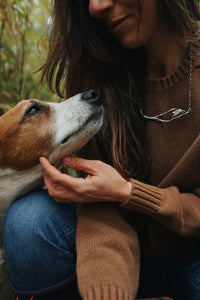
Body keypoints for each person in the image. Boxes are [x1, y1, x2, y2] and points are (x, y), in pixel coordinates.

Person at [3, 0, 200, 299]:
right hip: (120, 254)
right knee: (28, 221)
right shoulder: (96, 74)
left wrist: (128, 192)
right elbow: (100, 210)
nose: (96, 6)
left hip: (194, 256)